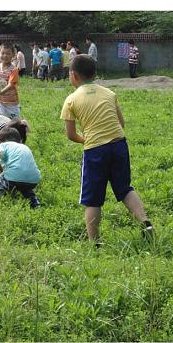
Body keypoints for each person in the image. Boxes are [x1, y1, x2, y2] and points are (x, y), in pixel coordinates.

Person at [60, 54, 153, 243]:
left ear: (73, 75)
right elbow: (121, 123)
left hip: (95, 150)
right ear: (94, 73)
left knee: (93, 198)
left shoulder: (71, 100)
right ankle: (145, 221)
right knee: (124, 188)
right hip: (119, 144)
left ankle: (94, 243)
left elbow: (70, 135)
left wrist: (86, 140)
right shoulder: (109, 93)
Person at [0, 128, 41, 209]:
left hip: (14, 178)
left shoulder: (3, 145)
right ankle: (34, 203)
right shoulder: (24, 147)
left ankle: (3, 200)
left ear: (0, 141)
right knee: (24, 187)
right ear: (19, 140)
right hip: (33, 180)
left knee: (2, 176)